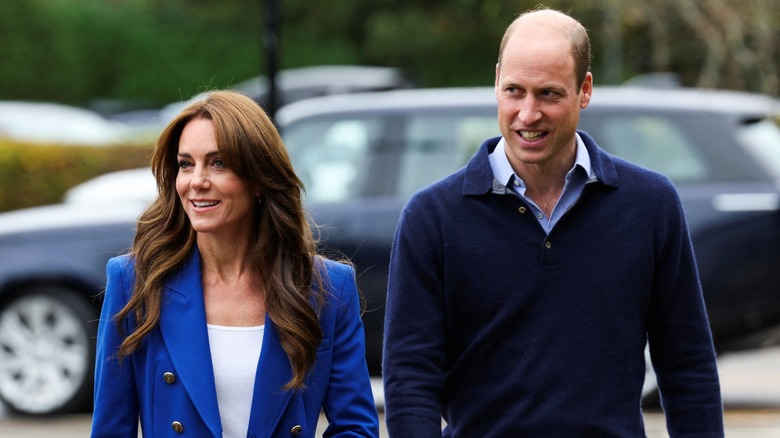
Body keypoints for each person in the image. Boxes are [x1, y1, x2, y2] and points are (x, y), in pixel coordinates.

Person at [382, 7, 724, 437]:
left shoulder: (650, 205)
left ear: (584, 90)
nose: (528, 114)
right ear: (496, 83)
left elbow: (687, 364)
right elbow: (411, 376)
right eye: (514, 91)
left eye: (548, 94)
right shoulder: (431, 217)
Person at [91, 90, 379, 438]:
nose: (196, 181)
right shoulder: (135, 281)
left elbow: (355, 428)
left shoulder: (326, 287)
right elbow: (110, 430)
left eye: (218, 163)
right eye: (186, 164)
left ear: (259, 179)